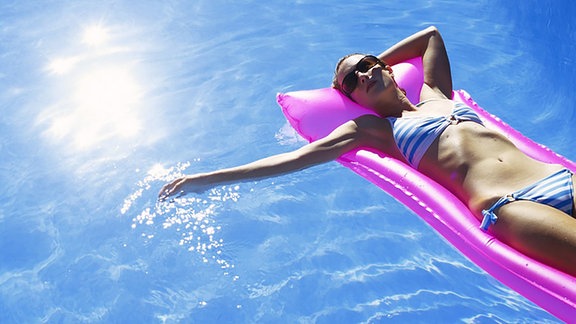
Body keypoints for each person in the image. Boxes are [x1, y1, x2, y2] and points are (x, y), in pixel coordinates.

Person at [159, 26, 576, 276]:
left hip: (555, 177)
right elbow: (293, 160)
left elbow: (431, 34)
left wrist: (374, 65)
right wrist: (205, 179)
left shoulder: (436, 93)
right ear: (352, 99)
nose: (362, 75)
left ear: (387, 67)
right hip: (511, 205)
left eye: (367, 65)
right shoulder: (375, 130)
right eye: (351, 82)